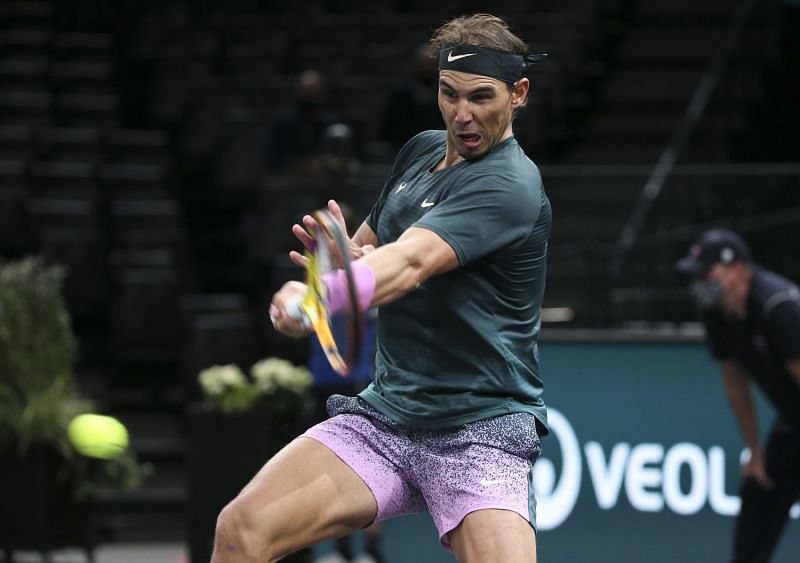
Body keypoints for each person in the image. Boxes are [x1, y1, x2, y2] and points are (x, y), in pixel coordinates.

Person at [213, 13, 551, 563]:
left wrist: (325, 297)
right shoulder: (419, 152)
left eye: (481, 97)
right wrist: (318, 278)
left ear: (519, 94)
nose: (461, 115)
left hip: (479, 429)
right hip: (387, 417)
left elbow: (411, 262)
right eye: (449, 94)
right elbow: (370, 251)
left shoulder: (511, 184)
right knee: (241, 530)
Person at [675, 228, 800, 563]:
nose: (700, 283)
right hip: (794, 421)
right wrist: (755, 451)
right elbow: (735, 381)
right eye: (696, 276)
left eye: (708, 274)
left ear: (738, 271)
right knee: (760, 488)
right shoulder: (716, 314)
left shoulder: (780, 308)